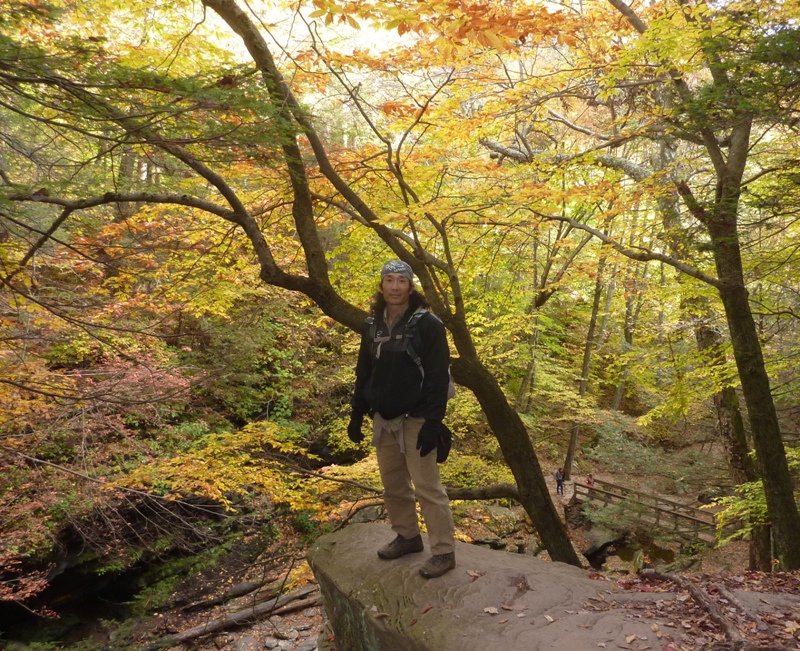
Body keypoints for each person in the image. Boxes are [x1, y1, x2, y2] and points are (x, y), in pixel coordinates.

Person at [348, 260, 456, 579]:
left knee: (427, 487)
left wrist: (433, 423)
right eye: (389, 280)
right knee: (393, 485)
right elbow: (364, 371)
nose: (395, 287)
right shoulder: (373, 325)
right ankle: (408, 537)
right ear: (381, 286)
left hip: (418, 418)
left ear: (411, 286)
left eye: (401, 281)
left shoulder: (429, 325)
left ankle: (444, 551)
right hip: (384, 418)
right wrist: (357, 413)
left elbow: (438, 377)